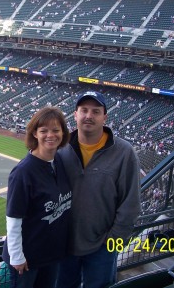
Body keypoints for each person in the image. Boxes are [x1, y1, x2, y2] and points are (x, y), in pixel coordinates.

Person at [56, 91, 141, 288]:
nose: (89, 115)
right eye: (84, 110)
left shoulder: (124, 152)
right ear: (75, 114)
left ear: (105, 117)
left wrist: (112, 241)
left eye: (95, 111)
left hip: (102, 247)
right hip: (62, 244)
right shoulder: (60, 148)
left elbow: (131, 204)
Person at [2, 106, 72, 288]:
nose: (51, 135)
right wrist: (17, 256)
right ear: (34, 133)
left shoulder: (60, 162)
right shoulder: (23, 172)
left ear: (63, 133)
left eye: (56, 130)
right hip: (27, 260)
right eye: (44, 130)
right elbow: (14, 218)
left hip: (51, 254)